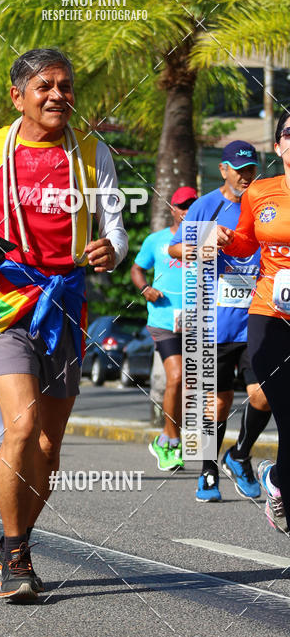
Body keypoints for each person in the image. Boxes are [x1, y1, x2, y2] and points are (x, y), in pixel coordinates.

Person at [0, 48, 128, 600]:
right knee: (21, 428)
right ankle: (18, 556)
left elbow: (117, 231)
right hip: (3, 307)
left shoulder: (94, 154)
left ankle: (15, 538)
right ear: (17, 96)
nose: (57, 96)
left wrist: (110, 252)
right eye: (45, 86)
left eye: (66, 86)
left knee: (48, 447)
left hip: (67, 306)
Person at [168, 141, 270, 502]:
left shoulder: (264, 201)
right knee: (218, 403)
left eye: (251, 169)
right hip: (215, 322)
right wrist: (208, 242)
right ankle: (208, 471)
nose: (246, 176)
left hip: (260, 317)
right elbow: (175, 249)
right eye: (239, 169)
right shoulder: (207, 206)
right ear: (223, 169)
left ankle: (239, 455)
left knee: (264, 394)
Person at [218, 112, 290, 535]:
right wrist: (227, 239)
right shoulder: (260, 191)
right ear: (278, 145)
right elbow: (245, 241)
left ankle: (276, 480)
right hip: (270, 315)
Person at [131, 187, 197, 471]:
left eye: (192, 206)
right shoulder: (156, 240)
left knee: (191, 387)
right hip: (163, 320)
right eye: (182, 206)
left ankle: (167, 437)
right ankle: (171, 440)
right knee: (177, 376)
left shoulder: (205, 240)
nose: (187, 211)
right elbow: (136, 269)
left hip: (197, 318)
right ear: (172, 208)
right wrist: (145, 288)